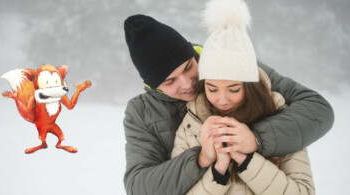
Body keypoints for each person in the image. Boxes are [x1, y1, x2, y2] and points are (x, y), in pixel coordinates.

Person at [123, 13, 333, 195]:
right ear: (153, 85)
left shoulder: (230, 63)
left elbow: (317, 110)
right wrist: (201, 159)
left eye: (188, 66)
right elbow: (139, 186)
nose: (188, 84)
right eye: (170, 81)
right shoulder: (142, 112)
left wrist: (255, 138)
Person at [171, 0, 315, 194]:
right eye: (212, 89)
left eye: (233, 89)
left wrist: (246, 158)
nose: (222, 100)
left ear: (250, 87)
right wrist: (218, 168)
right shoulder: (191, 124)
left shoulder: (280, 118)